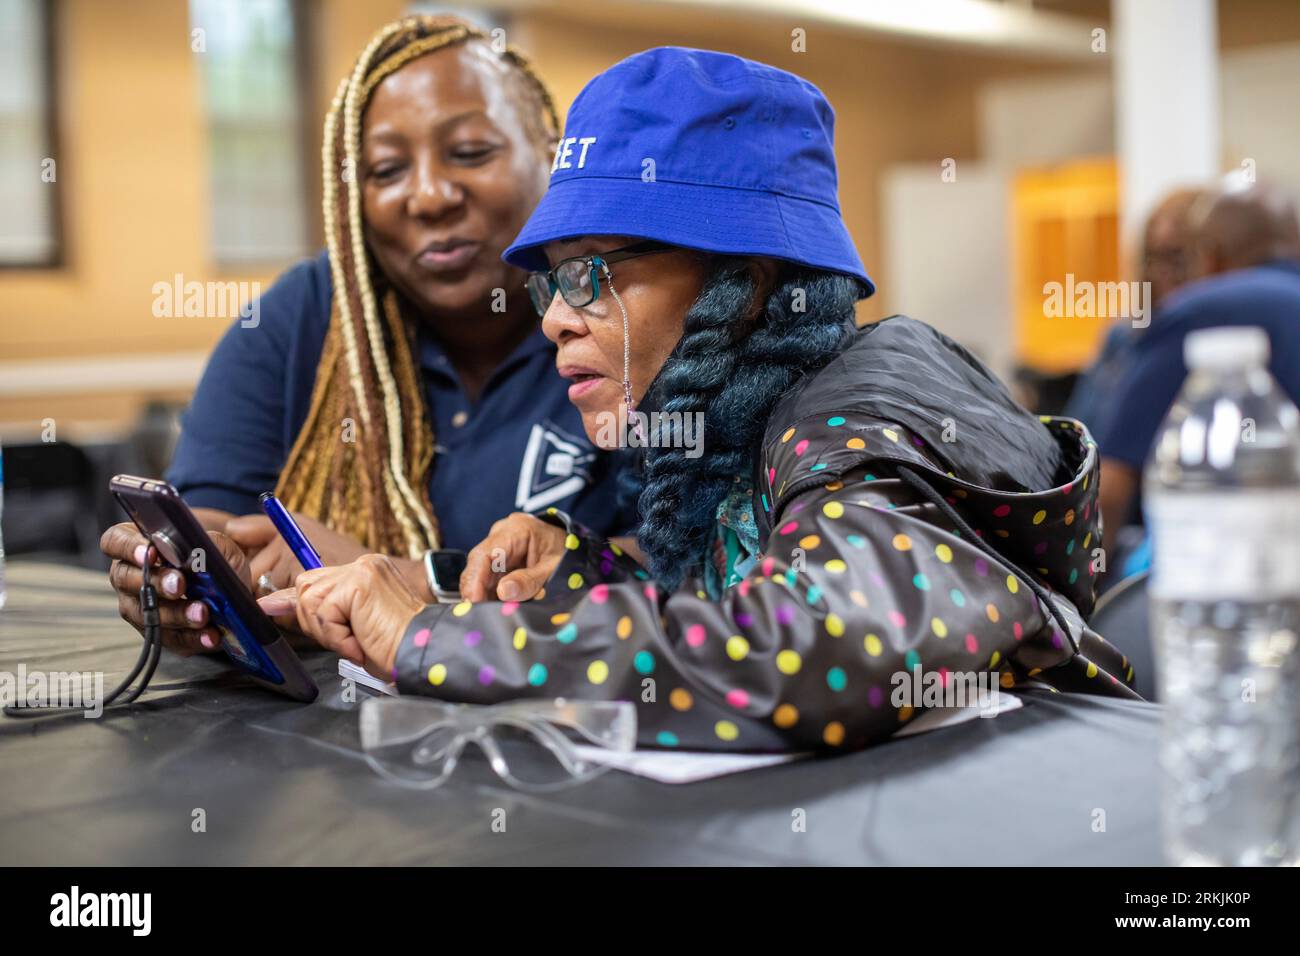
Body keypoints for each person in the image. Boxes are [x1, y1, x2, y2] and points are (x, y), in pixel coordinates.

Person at [261, 47, 1139, 753]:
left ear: (746, 284)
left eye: (591, 274)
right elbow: (745, 576)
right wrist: (567, 571)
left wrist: (430, 639)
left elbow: (810, 651)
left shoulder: (861, 424)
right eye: (549, 285)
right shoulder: (754, 420)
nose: (557, 320)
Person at [99, 15, 630, 655]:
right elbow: (212, 524)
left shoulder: (625, 310)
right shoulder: (300, 320)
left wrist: (408, 579)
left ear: (551, 151)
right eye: (385, 170)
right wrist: (191, 580)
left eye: (469, 152)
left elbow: (694, 560)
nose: (430, 196)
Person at [1094, 181, 1300, 544]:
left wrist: (1075, 591)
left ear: (1209, 257)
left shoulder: (1198, 312)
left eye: (1179, 257)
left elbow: (1111, 486)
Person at [1063, 188, 1204, 433]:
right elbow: (1079, 433)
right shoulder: (1122, 340)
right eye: (1154, 257)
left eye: (1178, 257)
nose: (1164, 273)